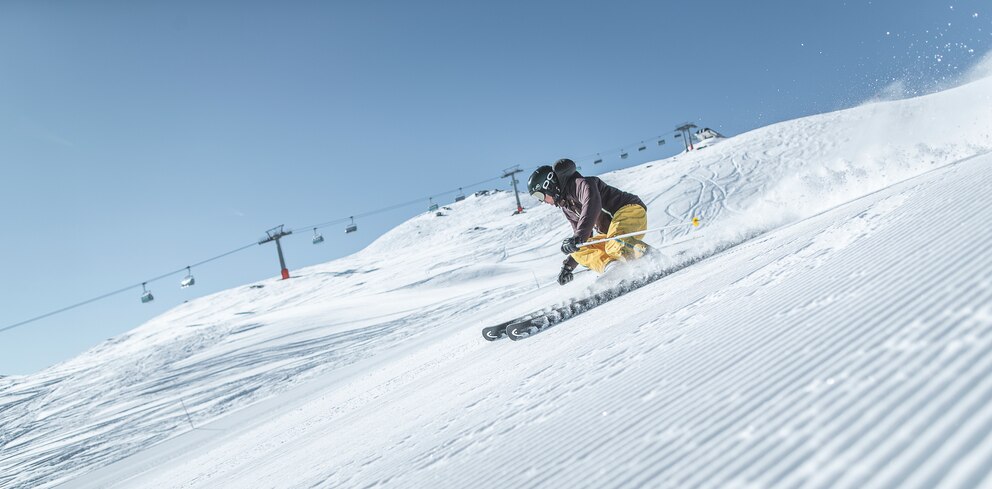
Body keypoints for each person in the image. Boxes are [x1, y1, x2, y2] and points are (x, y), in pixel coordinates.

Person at [527, 158, 649, 286]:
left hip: (630, 210)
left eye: (540, 196)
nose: (542, 201)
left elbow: (593, 204)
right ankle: (613, 267)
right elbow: (581, 238)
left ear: (549, 185)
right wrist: (568, 266)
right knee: (578, 249)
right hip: (612, 233)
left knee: (615, 242)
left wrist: (579, 236)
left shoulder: (581, 184)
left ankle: (649, 257)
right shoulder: (568, 208)